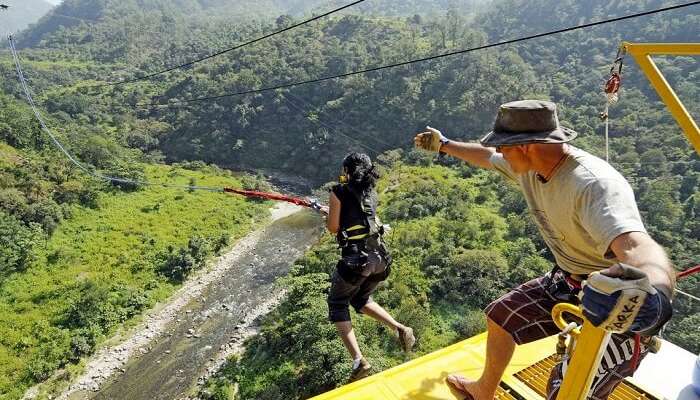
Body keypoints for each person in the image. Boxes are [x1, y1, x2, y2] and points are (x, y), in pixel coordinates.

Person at [414, 100, 675, 400]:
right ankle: (484, 391)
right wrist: (444, 145)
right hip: (570, 279)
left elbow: (637, 246)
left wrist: (653, 303)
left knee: (568, 390)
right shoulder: (532, 167)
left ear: (524, 146)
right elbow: (486, 157)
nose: (501, 153)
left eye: (504, 147)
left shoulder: (592, 185)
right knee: (501, 317)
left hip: (615, 304)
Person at [326, 152, 416, 382]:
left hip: (357, 261)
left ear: (347, 171)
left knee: (338, 303)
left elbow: (333, 228)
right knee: (361, 300)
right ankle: (399, 328)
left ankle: (359, 361)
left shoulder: (338, 191)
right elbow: (364, 219)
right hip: (381, 260)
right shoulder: (371, 193)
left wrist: (329, 214)